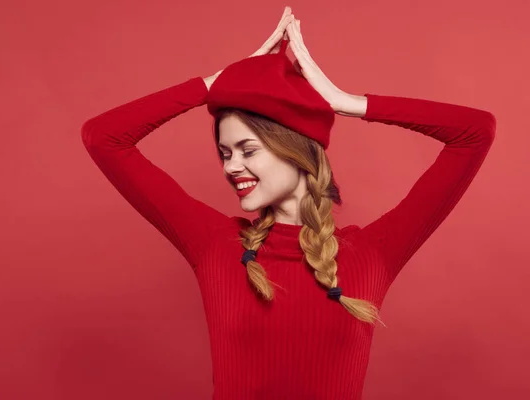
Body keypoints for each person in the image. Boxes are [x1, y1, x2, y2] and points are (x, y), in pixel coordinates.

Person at [80, 6, 496, 400]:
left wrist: (346, 103)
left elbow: (475, 132)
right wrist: (214, 84)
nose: (232, 167)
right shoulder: (215, 245)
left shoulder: (372, 253)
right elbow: (103, 137)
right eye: (225, 153)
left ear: (293, 149)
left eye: (247, 149)